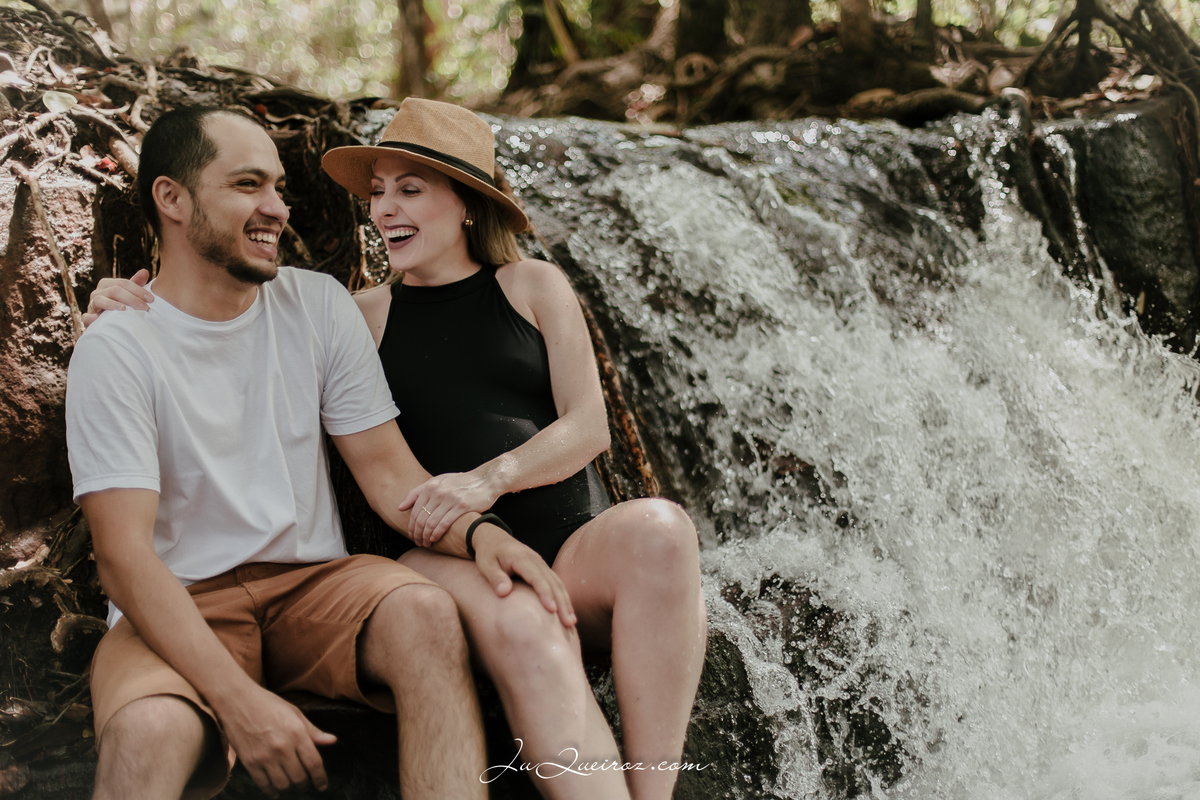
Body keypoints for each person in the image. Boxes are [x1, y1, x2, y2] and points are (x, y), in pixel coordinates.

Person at [85, 98, 707, 800]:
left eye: (409, 190)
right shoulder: (351, 312)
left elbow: (562, 431)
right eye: (379, 192)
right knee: (518, 614)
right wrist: (120, 310)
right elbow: (127, 548)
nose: (383, 209)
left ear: (468, 202)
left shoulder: (493, 289)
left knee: (654, 534)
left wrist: (483, 508)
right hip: (322, 568)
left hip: (461, 556)